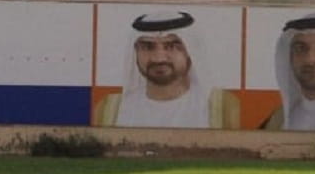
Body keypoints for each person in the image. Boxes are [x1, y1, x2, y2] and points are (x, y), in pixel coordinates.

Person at [92, 10, 240, 129]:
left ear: (191, 51)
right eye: (148, 47)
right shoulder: (110, 109)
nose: (159, 58)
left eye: (172, 46)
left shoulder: (221, 106)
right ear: (135, 53)